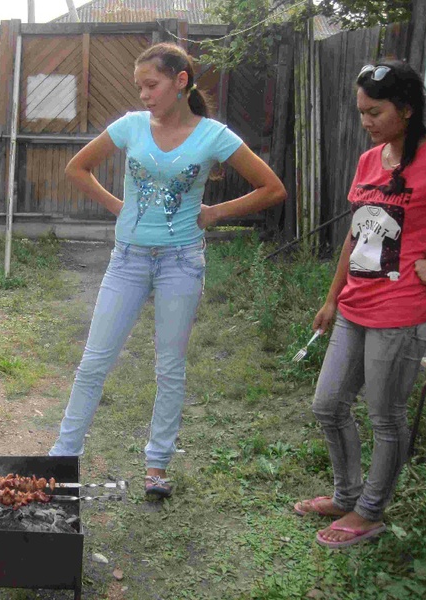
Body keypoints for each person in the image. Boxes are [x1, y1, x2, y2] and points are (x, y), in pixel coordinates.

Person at [48, 42, 286, 498]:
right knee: (94, 360)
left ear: (181, 82)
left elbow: (272, 188)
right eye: (139, 86)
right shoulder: (131, 126)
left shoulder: (213, 135)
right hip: (128, 260)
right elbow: (77, 168)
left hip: (181, 263)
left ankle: (156, 466)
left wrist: (214, 213)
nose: (143, 95)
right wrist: (119, 207)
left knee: (170, 367)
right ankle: (62, 456)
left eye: (151, 85)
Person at [295, 60, 426, 548]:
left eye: (375, 112)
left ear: (407, 109)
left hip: (401, 315)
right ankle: (346, 496)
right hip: (354, 308)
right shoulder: (369, 161)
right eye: (361, 112)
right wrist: (331, 299)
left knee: (386, 417)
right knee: (328, 405)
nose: (366, 122)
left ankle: (369, 513)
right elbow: (355, 237)